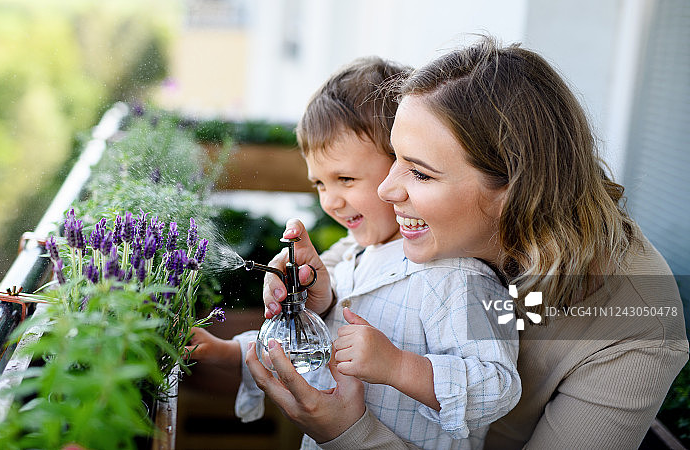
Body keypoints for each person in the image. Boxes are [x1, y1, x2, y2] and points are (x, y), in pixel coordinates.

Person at [250, 36, 689, 449]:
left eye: (419, 173)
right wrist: (321, 292)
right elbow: (363, 266)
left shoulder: (635, 325)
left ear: (514, 190)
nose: (385, 190)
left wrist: (348, 432)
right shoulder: (436, 226)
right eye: (394, 157)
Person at [189, 56, 521, 449]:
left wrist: (399, 366)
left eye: (345, 179)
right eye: (319, 184)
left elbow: (497, 387)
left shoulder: (459, 277)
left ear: (405, 162)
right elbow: (311, 347)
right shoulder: (354, 257)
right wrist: (228, 352)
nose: (331, 201)